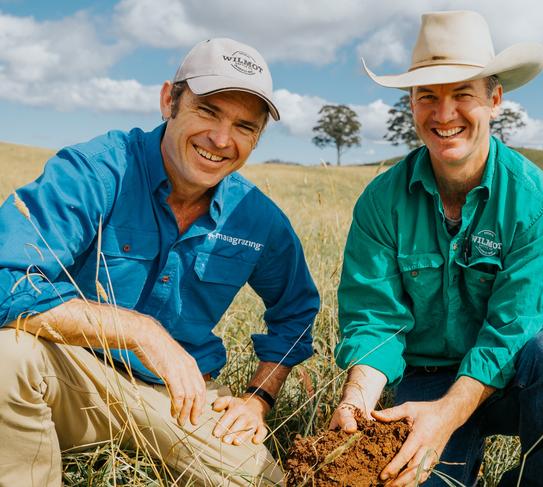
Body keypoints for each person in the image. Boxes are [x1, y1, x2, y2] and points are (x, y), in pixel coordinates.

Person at [0, 37, 319, 486]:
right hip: (71, 378)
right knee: (8, 358)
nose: (221, 140)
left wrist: (258, 398)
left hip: (182, 400)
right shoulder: (95, 171)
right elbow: (6, 279)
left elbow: (297, 313)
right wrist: (138, 331)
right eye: (207, 111)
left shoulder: (258, 219)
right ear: (170, 99)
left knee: (258, 480)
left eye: (244, 126)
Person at [331, 11, 543, 487]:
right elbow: (375, 320)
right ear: (410, 105)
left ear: (494, 100)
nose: (444, 114)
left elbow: (513, 329)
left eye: (463, 95)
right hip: (426, 379)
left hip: (518, 373)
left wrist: (449, 414)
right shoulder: (380, 201)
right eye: (427, 97)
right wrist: (357, 399)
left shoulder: (537, 204)